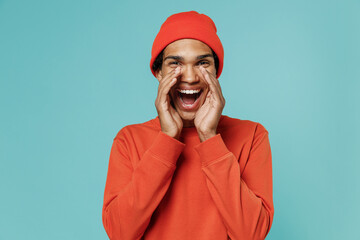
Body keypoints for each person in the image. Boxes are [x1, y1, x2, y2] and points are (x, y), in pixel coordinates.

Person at [102, 11, 274, 240]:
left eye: (203, 63)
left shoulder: (252, 136)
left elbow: (251, 234)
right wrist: (167, 140)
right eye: (175, 64)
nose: (190, 77)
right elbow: (120, 233)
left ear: (216, 71)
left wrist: (210, 138)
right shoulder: (129, 140)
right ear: (158, 72)